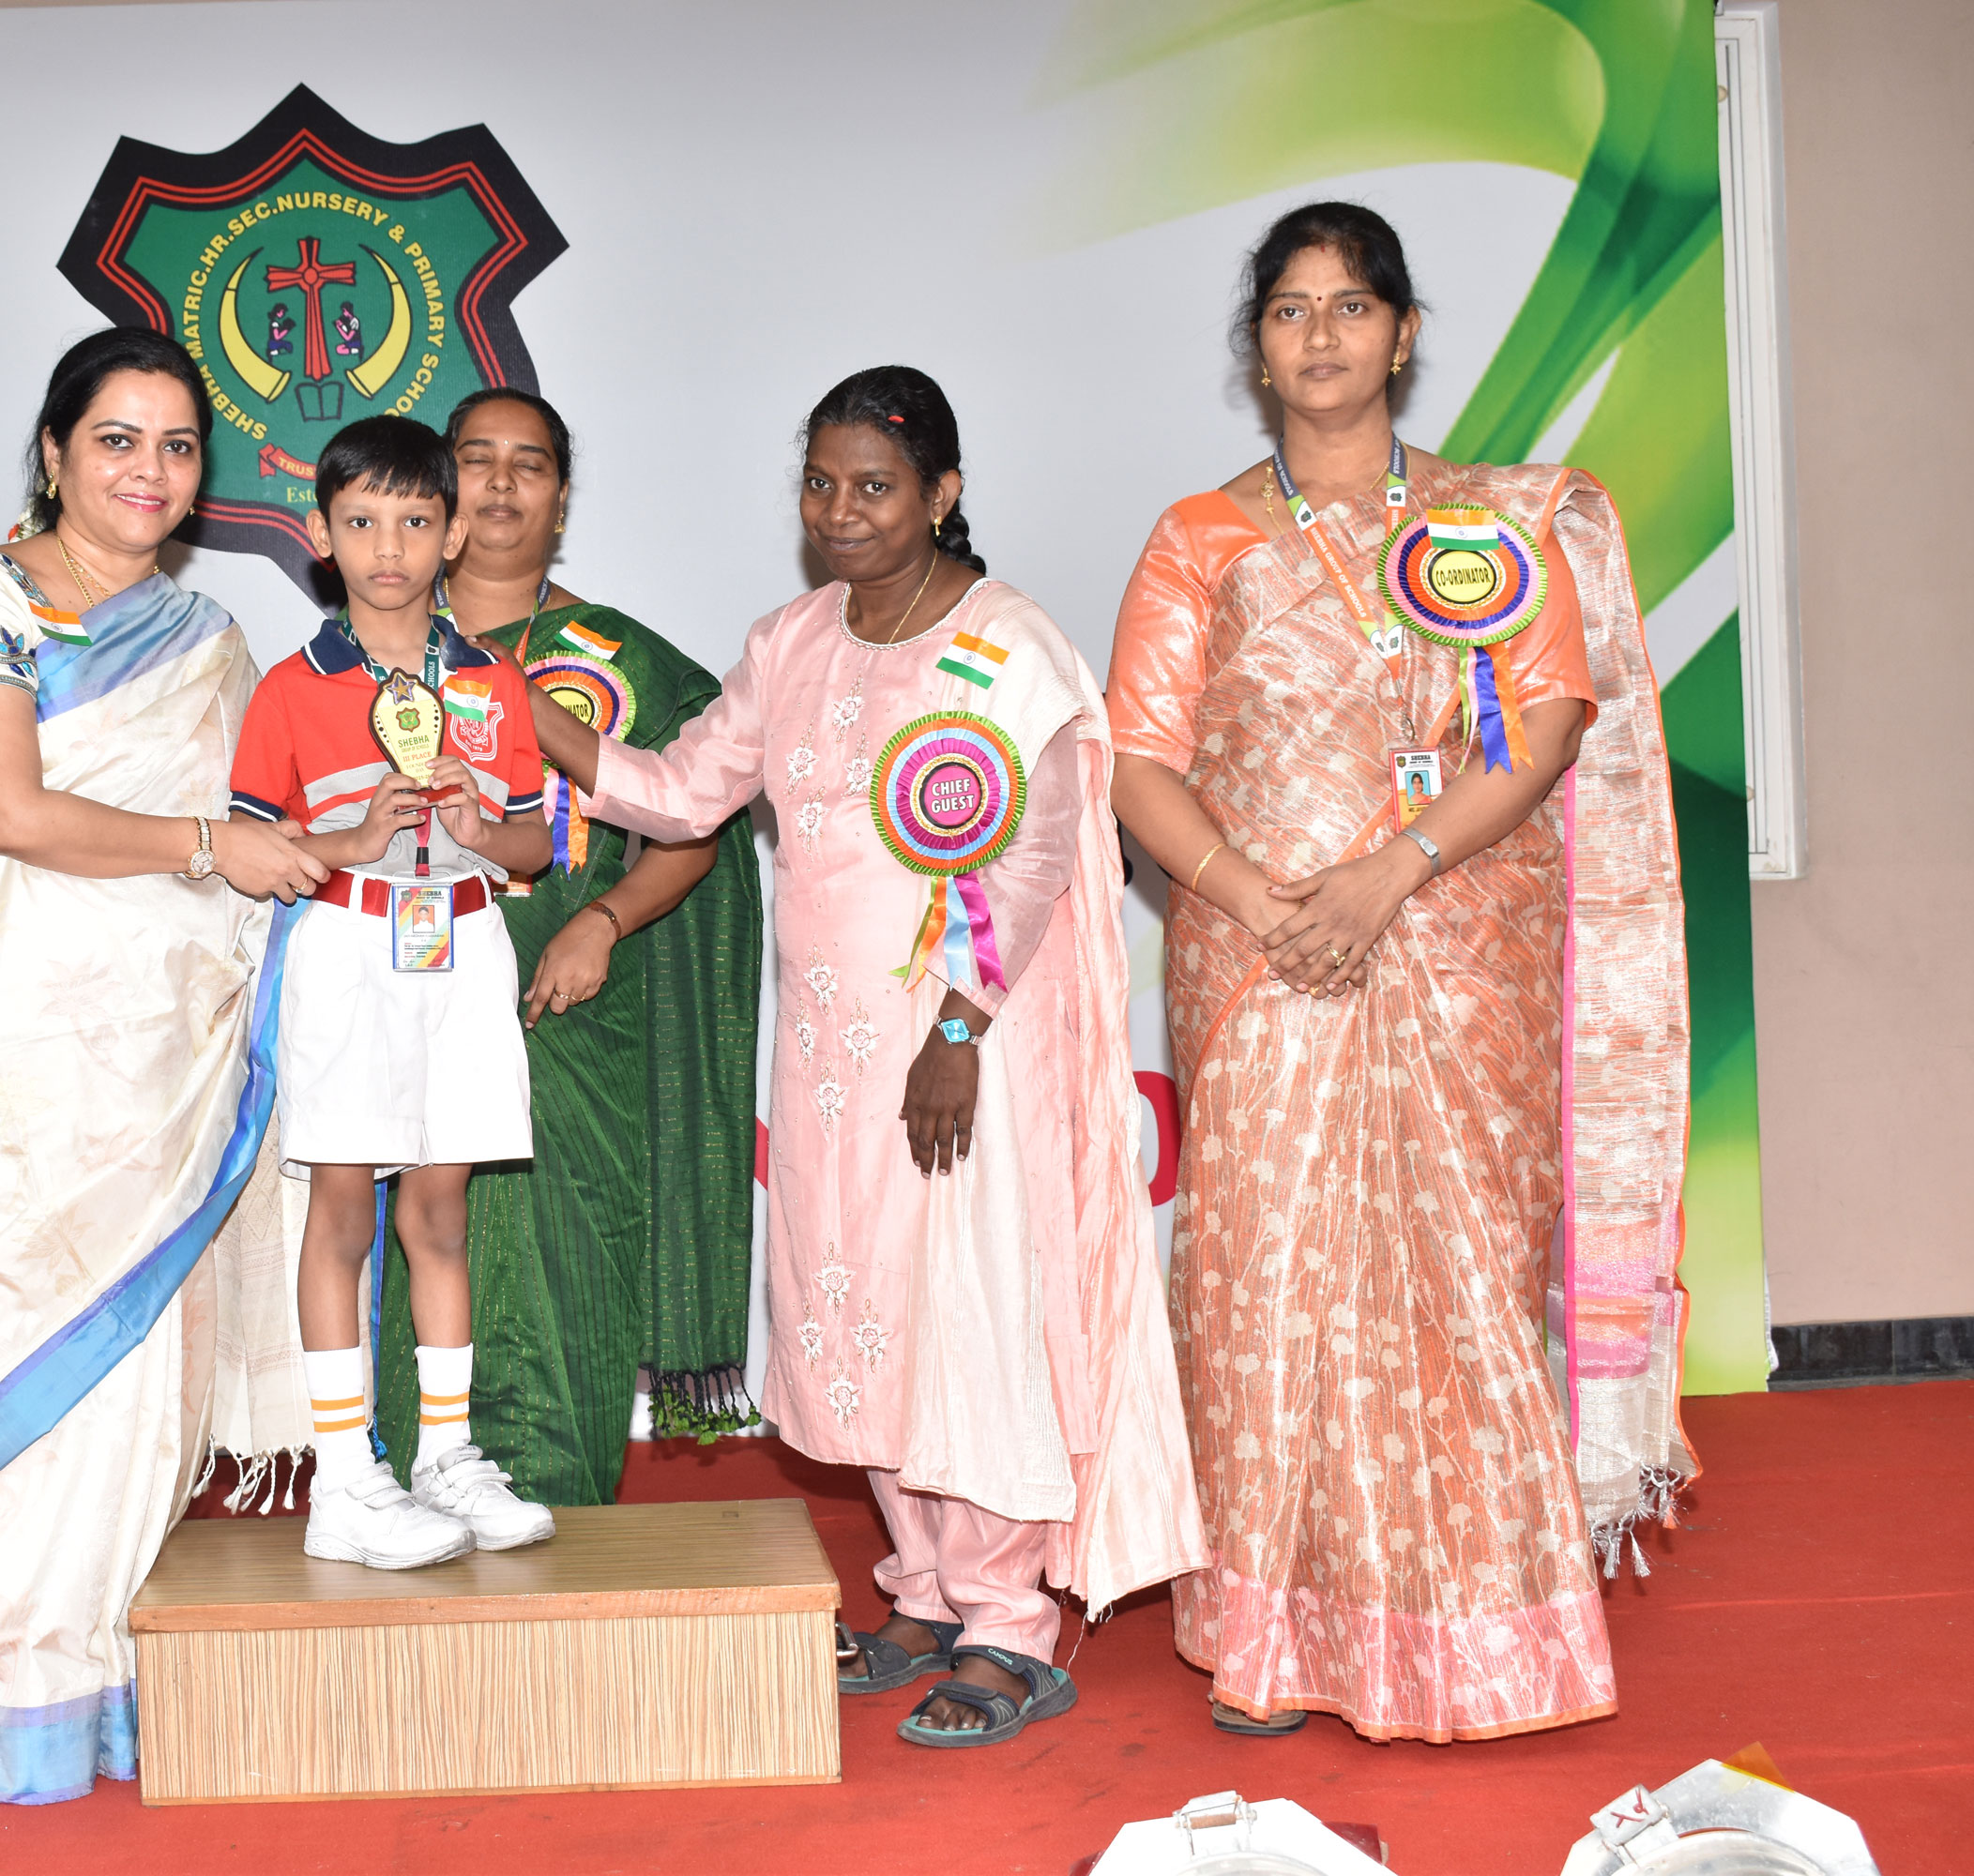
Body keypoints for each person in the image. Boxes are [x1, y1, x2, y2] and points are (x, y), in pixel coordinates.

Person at [513, 367, 1205, 1748]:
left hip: (964, 1049)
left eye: (874, 486)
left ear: (943, 494)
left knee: (965, 1314)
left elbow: (1032, 860)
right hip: (830, 1056)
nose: (840, 511)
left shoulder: (1006, 646)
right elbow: (684, 790)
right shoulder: (792, 642)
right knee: (860, 1310)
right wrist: (532, 718)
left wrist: (956, 1027)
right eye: (820, 485)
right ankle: (927, 1590)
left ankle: (1009, 1625)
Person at [1105, 203, 1691, 1743]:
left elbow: (1537, 729)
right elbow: (1140, 761)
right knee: (1264, 1286)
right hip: (1261, 963)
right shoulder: (1200, 538)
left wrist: (1392, 873)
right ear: (1257, 346)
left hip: (1452, 946)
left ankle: (1482, 1634)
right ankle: (1273, 1643)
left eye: (1351, 306)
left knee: (1463, 1282)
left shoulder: (1489, 532)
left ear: (1404, 333)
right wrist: (1258, 898)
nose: (1321, 335)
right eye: (1290, 310)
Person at [0, 328, 322, 1801]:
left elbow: (264, 826)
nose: (149, 470)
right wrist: (210, 848)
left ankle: (89, 1679)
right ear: (56, 453)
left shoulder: (208, 639)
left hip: (152, 1061)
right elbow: (7, 810)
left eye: (177, 446)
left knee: (137, 1368)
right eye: (118, 439)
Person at [387, 386, 761, 1507]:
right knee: (424, 1247)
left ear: (561, 499)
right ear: (441, 486)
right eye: (478, 458)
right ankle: (414, 1501)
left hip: (575, 1020)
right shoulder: (379, 640)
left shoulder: (621, 657)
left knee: (568, 1268)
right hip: (413, 1001)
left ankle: (558, 1523)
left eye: (531, 464)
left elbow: (694, 826)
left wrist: (603, 919)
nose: (503, 482)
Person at [228, 415, 557, 1571]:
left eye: (416, 520)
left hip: (462, 945)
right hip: (346, 945)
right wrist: (348, 838)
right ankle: (344, 1477)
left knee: (441, 1212)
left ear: (453, 533)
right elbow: (253, 850)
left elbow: (535, 844)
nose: (389, 546)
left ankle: (446, 1456)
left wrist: (481, 824)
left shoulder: (493, 682)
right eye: (362, 520)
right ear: (320, 535)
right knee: (344, 1211)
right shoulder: (291, 687)